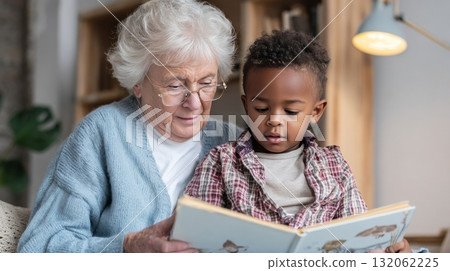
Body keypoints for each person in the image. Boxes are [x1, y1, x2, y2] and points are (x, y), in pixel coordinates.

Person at [18, 0, 240, 253]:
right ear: (137, 83)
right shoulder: (101, 133)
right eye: (175, 86)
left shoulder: (233, 141)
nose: (194, 103)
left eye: (206, 83)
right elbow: (39, 247)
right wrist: (126, 248)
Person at [184, 30, 413, 253]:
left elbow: (358, 237)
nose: (274, 120)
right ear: (246, 106)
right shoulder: (221, 162)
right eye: (261, 109)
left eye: (291, 111)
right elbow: (196, 237)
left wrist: (386, 251)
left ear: (316, 111)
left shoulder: (335, 166)